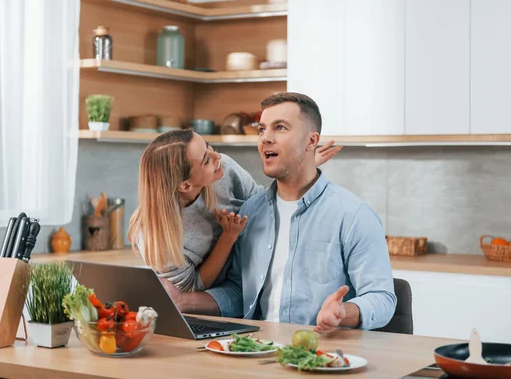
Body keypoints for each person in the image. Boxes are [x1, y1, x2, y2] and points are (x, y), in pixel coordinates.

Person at [161, 92, 397, 333]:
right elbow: (238, 292)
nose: (265, 139)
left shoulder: (354, 216)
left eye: (280, 128)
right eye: (262, 130)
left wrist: (343, 313)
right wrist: (182, 300)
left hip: (322, 356)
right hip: (258, 353)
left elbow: (382, 298)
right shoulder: (250, 212)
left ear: (311, 141)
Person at [127, 127, 341, 292]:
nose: (217, 157)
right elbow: (194, 285)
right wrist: (228, 237)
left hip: (254, 273)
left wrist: (301, 168)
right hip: (221, 294)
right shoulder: (154, 237)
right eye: (205, 160)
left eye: (209, 146)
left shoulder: (225, 170)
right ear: (184, 185)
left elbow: (265, 205)